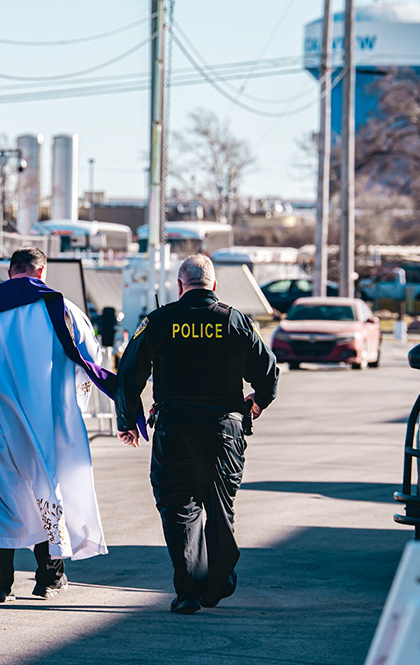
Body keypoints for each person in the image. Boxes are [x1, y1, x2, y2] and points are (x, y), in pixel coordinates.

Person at [115, 254, 279, 614]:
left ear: (179, 285)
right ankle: (217, 581)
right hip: (224, 430)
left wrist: (129, 420)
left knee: (179, 510)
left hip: (175, 429)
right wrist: (259, 401)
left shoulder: (158, 321)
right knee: (220, 506)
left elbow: (129, 373)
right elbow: (267, 370)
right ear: (214, 285)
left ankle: (187, 591)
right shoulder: (235, 320)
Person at [0, 247, 113, 602]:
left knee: (2, 498)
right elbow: (90, 360)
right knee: (47, 492)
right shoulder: (61, 307)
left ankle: (0, 583)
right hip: (46, 420)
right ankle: (48, 578)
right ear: (41, 271)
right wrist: (72, 404)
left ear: (10, 272)